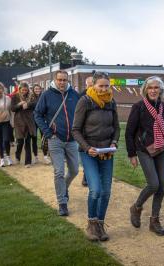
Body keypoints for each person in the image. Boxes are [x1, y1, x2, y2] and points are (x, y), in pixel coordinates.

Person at [125, 76, 164, 236]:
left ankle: (154, 220)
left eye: (156, 88)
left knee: (161, 186)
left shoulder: (163, 107)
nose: (153, 90)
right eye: (150, 88)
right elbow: (129, 132)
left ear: (161, 90)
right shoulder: (138, 107)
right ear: (145, 90)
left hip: (160, 149)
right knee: (153, 184)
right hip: (143, 150)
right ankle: (137, 207)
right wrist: (132, 154)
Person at [72, 72, 120, 241]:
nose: (104, 89)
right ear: (93, 85)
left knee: (106, 191)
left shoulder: (111, 102)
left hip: (107, 151)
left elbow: (116, 127)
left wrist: (114, 142)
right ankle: (91, 224)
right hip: (89, 151)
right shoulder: (85, 101)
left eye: (107, 86)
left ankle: (100, 224)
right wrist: (87, 147)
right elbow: (75, 130)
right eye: (101, 86)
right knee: (96, 190)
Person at [34, 70, 80, 216]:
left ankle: (63, 188)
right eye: (59, 80)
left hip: (72, 140)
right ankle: (62, 202)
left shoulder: (74, 95)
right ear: (55, 80)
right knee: (59, 172)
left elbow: (81, 114)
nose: (62, 82)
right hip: (55, 140)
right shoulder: (46, 95)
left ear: (68, 80)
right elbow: (37, 114)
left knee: (74, 170)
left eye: (64, 80)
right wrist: (48, 133)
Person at [11, 82, 36, 168]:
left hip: (29, 121)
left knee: (28, 142)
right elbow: (13, 108)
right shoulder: (15, 96)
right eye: (22, 90)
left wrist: (28, 104)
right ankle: (17, 156)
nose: (24, 92)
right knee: (20, 141)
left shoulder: (32, 96)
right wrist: (19, 104)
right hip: (19, 122)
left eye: (26, 90)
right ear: (19, 89)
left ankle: (27, 162)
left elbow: (36, 105)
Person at [30, 84, 51, 164]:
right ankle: (35, 156)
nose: (37, 90)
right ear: (33, 90)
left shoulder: (44, 97)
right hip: (33, 120)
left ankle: (45, 156)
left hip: (42, 121)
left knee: (44, 139)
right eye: (35, 89)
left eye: (38, 89)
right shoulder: (31, 98)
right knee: (34, 138)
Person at [79, 76, 94, 187]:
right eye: (89, 85)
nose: (91, 87)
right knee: (87, 152)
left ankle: (91, 177)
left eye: (92, 84)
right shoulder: (82, 96)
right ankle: (86, 178)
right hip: (85, 130)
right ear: (86, 85)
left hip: (97, 129)